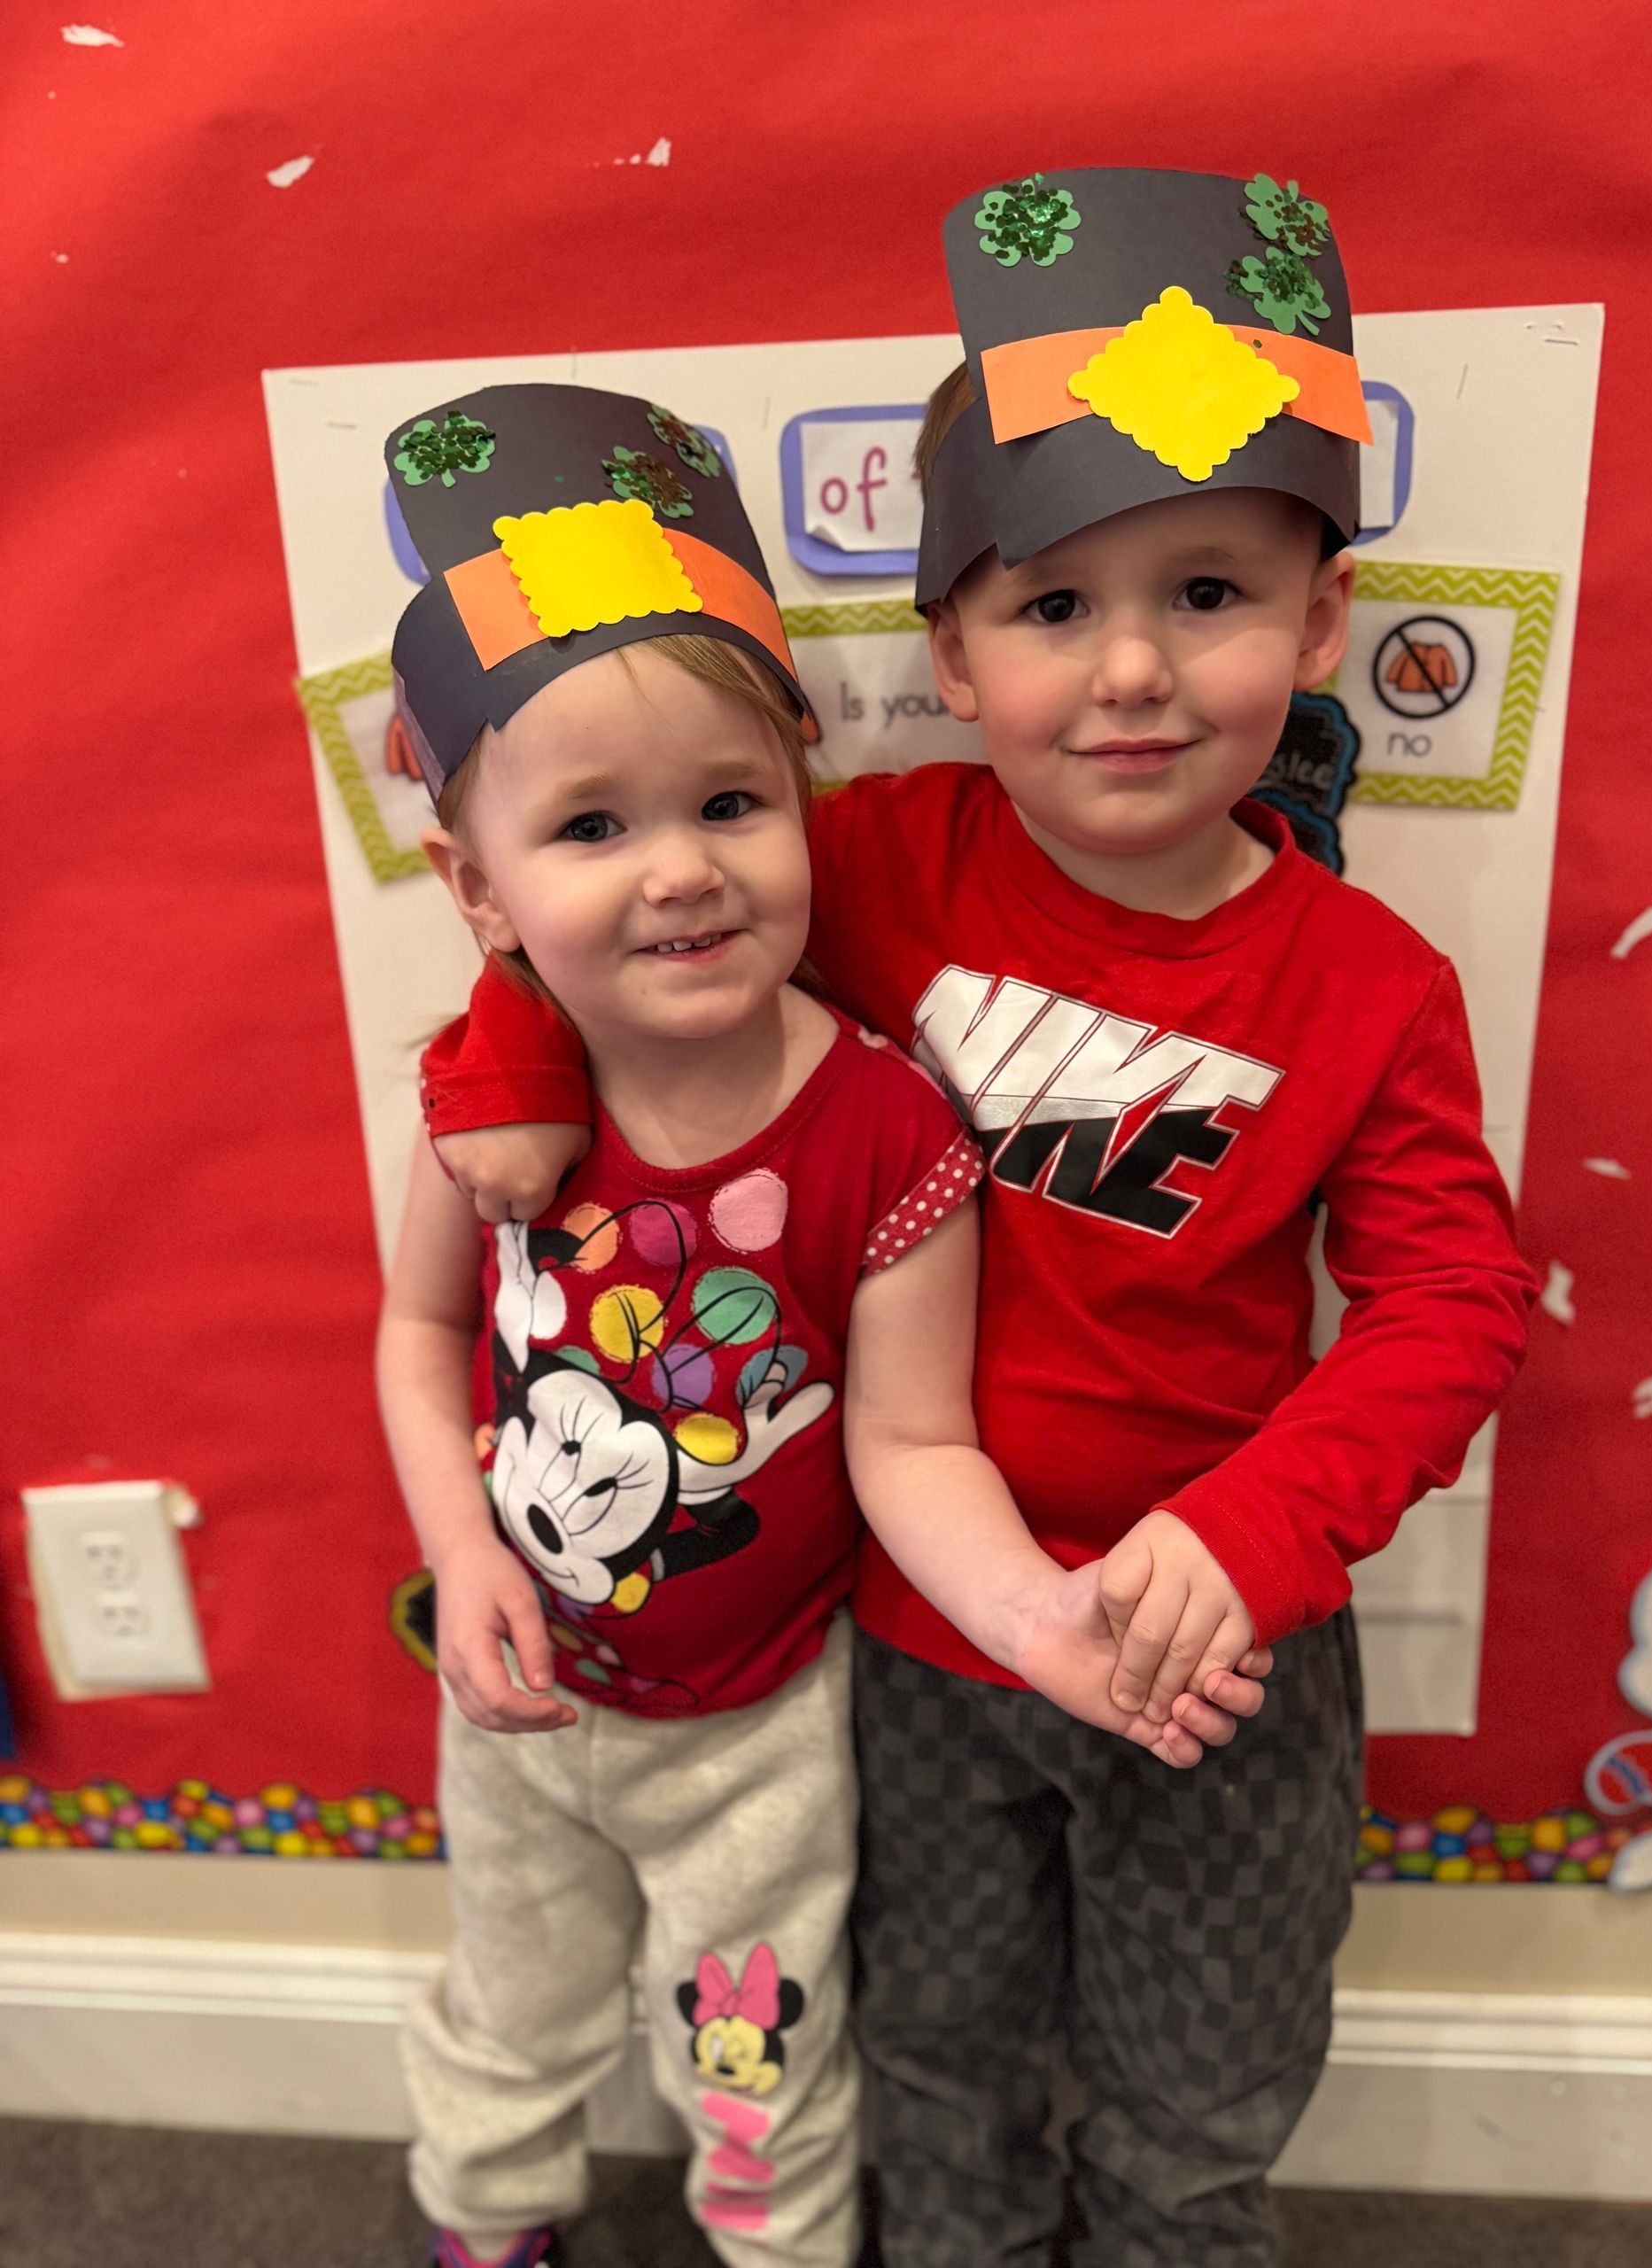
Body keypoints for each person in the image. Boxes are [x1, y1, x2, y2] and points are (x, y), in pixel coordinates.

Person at [415, 170, 1537, 2267]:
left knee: (1199, 2111)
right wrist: (511, 1063)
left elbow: (1453, 1298)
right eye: (1050, 607)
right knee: (933, 2063)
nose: (1129, 670)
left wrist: (1257, 1527)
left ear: (1317, 624)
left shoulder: (1371, 986)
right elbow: (619, 882)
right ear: (950, 645)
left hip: (1224, 1642)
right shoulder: (869, 860)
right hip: (912, 1644)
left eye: (1207, 593)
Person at [374, 378, 1269, 2268]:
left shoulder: (890, 1125)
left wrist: (1035, 1609)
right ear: (478, 887)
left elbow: (907, 1436)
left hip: (769, 1727)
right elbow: (410, 1320)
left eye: (728, 803)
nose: (683, 866)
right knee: (508, 2013)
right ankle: (484, 2226)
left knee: (762, 2048)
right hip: (518, 1706)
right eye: (594, 826)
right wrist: (458, 1556)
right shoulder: (478, 1103)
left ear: (808, 805)